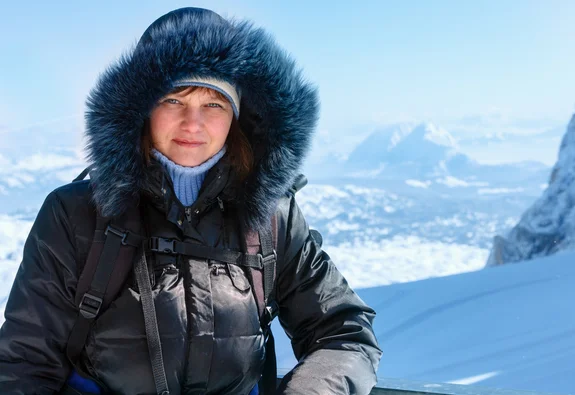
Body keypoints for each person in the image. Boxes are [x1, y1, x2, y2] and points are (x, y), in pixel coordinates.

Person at [0, 7, 382, 395]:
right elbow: (24, 365)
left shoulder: (269, 217)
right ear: (141, 110)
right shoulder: (77, 214)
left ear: (237, 117)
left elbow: (345, 332)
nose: (193, 123)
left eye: (214, 104)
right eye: (173, 100)